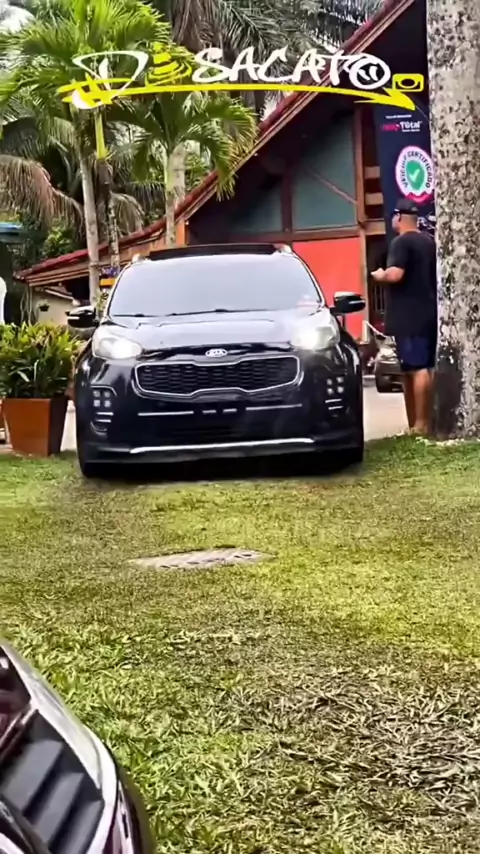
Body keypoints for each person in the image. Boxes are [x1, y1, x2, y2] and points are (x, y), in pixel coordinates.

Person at [371, 198, 437, 435]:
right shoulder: (429, 242)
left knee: (417, 368)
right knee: (417, 368)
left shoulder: (401, 242)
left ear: (399, 217)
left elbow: (395, 274)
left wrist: (380, 274)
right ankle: (417, 424)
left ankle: (420, 424)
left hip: (410, 316)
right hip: (429, 313)